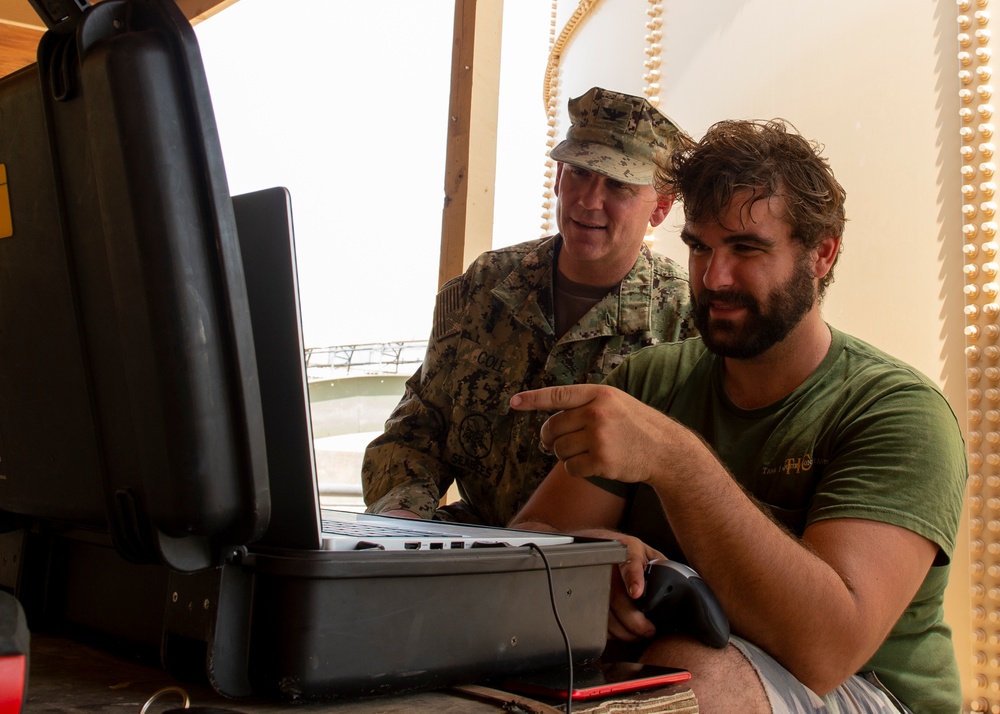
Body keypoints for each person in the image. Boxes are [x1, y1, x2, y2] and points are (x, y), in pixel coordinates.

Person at [509, 119, 967, 713]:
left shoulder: (896, 413)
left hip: (867, 689)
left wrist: (676, 461)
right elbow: (529, 540)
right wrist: (591, 556)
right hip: (682, 663)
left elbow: (828, 649)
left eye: (746, 249)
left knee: (681, 681)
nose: (713, 278)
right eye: (699, 246)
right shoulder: (651, 381)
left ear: (820, 253)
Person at [362, 87, 698, 526]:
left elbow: (692, 483)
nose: (588, 200)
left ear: (660, 208)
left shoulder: (685, 319)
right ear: (558, 176)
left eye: (617, 184)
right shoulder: (486, 285)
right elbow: (415, 431)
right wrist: (404, 517)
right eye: (579, 172)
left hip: (603, 571)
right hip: (476, 549)